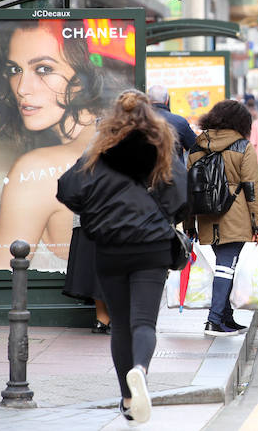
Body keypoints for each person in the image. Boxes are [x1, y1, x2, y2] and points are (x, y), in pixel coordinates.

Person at [56, 90, 187, 424]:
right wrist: (161, 216)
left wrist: (95, 213)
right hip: (153, 244)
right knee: (144, 321)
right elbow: (182, 194)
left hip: (110, 247)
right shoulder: (162, 146)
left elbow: (67, 189)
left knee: (120, 326)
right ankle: (140, 370)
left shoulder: (100, 149)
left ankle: (128, 398)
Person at [0, 19, 131, 270]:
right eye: (15, 69)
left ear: (84, 76)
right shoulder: (125, 136)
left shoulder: (38, 167)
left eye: (43, 69)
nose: (22, 88)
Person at [186, 100, 258, 336]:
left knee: (225, 265)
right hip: (236, 214)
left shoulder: (196, 147)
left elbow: (189, 189)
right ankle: (214, 320)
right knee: (226, 265)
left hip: (207, 216)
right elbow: (252, 188)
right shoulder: (243, 147)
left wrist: (189, 225)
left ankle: (226, 318)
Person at [147, 84, 197, 161]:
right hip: (174, 170)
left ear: (147, 100)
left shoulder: (137, 121)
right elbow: (195, 146)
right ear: (167, 100)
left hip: (145, 171)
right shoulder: (179, 122)